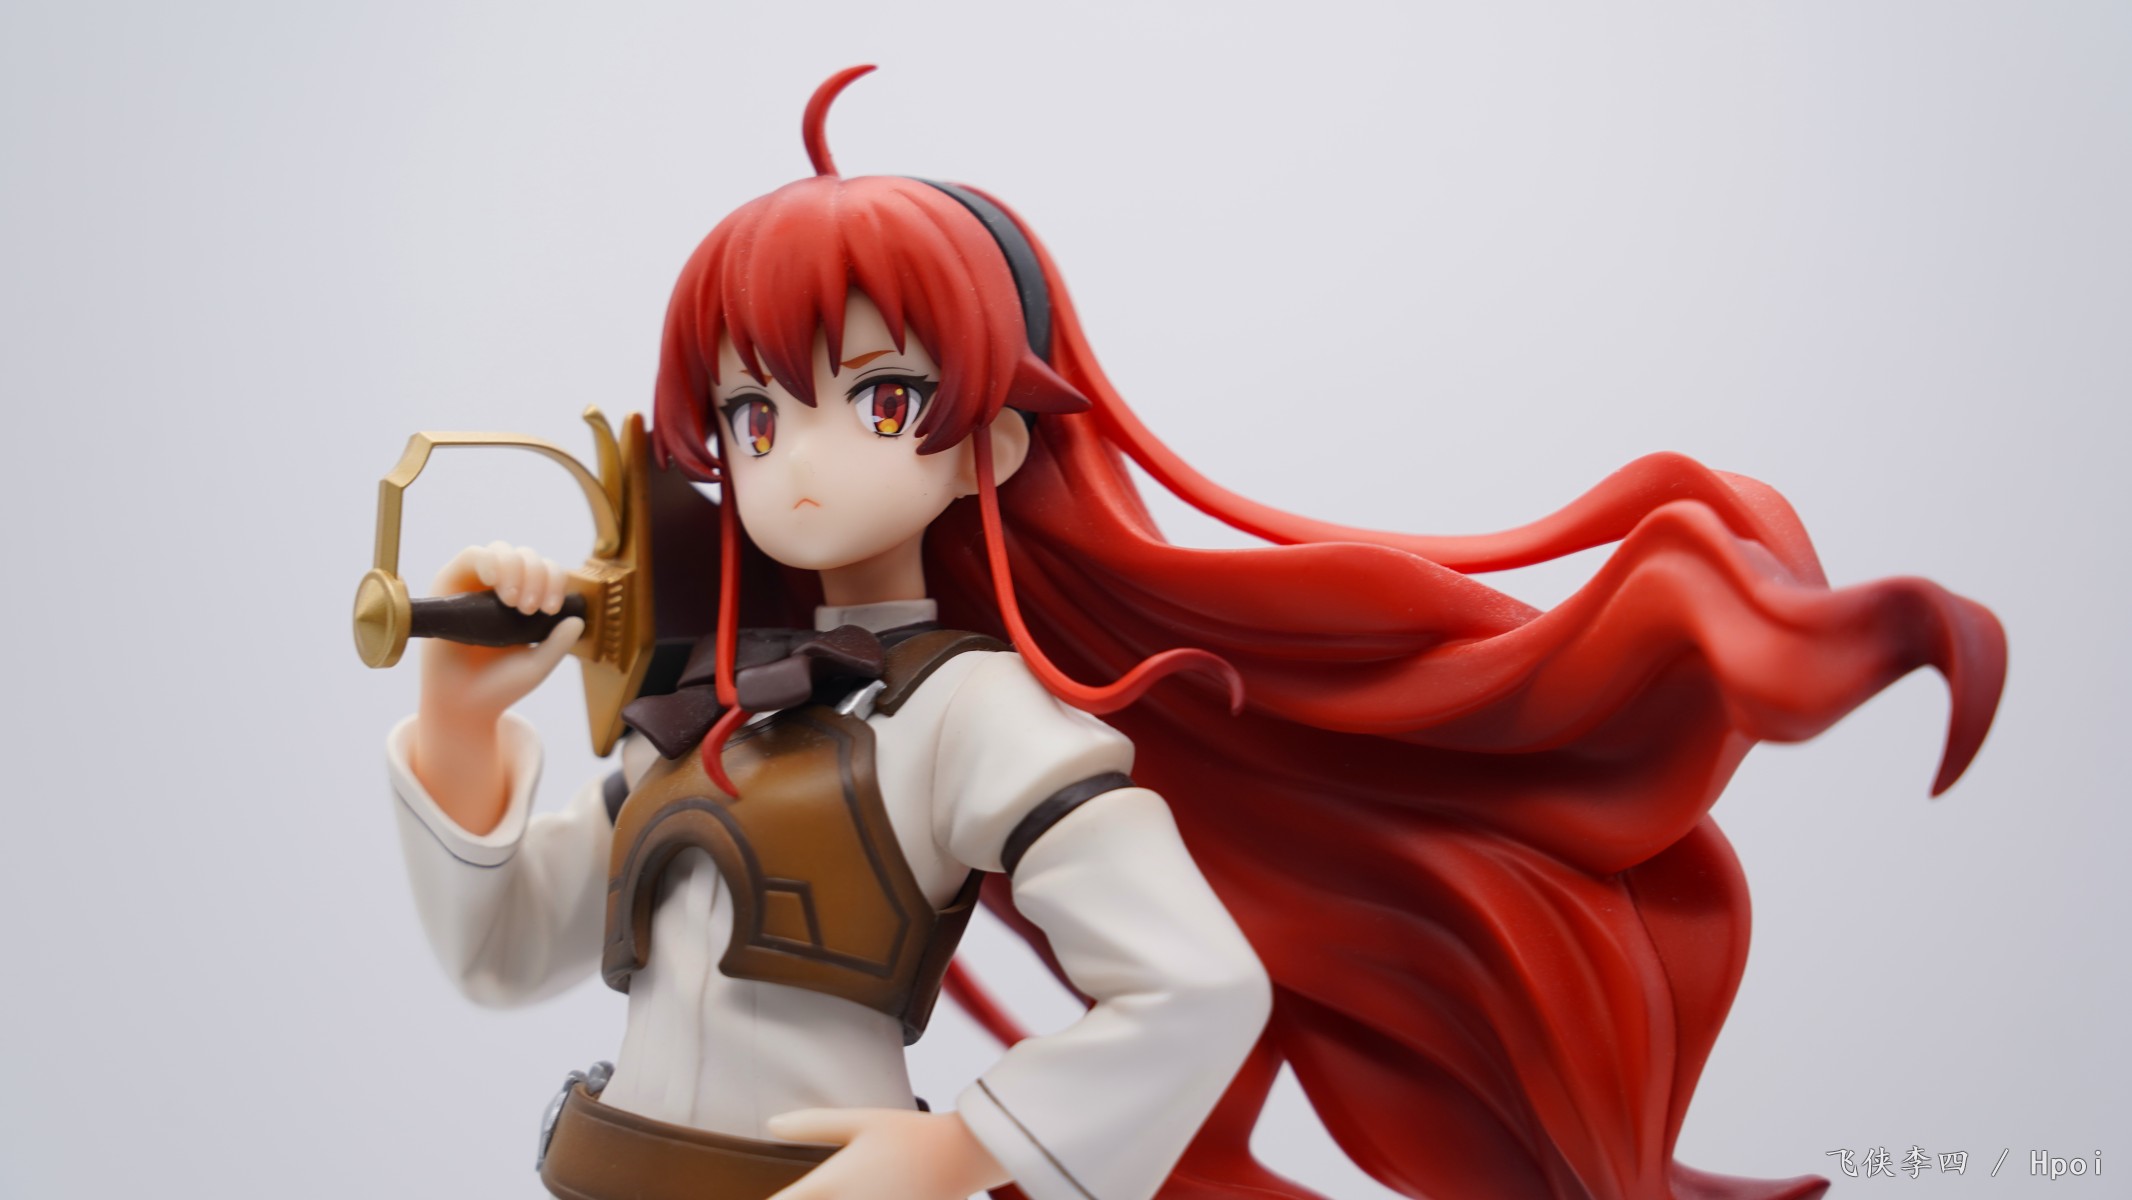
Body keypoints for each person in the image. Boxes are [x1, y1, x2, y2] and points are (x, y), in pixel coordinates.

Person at [385, 66, 2006, 1200]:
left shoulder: (972, 717)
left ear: (985, 442)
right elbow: (511, 951)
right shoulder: (704, 708)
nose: (795, 458)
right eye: (751, 414)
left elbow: (1194, 986)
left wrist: (961, 1151)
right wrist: (463, 724)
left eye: (872, 400)